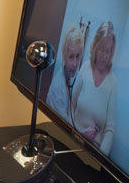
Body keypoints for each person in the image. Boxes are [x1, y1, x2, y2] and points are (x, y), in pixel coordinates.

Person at [71, 21, 118, 155]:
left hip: (94, 152)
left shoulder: (113, 82)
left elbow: (110, 128)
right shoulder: (85, 68)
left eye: (108, 51)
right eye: (101, 49)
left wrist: (101, 156)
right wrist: (78, 133)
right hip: (73, 138)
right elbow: (71, 105)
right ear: (95, 48)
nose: (104, 55)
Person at [46, 25, 85, 124]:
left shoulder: (78, 77)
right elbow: (65, 124)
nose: (75, 64)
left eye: (78, 56)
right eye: (71, 57)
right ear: (64, 55)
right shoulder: (57, 88)